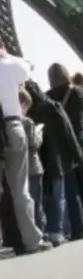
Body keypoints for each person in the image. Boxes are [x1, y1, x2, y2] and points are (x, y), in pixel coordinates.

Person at [0, 32, 50, 255]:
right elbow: (29, 66)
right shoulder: (11, 65)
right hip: (13, 125)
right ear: (2, 44)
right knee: (21, 190)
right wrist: (5, 55)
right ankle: (32, 239)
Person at [45, 63, 83, 239]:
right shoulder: (78, 92)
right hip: (80, 138)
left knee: (71, 188)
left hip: (62, 146)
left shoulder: (47, 97)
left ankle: (78, 227)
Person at [20, 88, 45, 233]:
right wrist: (39, 134)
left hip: (19, 170)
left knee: (27, 203)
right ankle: (40, 231)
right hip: (34, 168)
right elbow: (33, 144)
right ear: (23, 104)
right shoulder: (28, 122)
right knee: (37, 203)